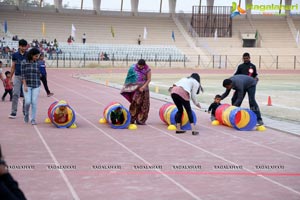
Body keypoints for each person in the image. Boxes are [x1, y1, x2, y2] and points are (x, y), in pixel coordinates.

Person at [120, 59, 151, 125]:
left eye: (142, 66)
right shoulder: (133, 68)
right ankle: (131, 118)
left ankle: (141, 120)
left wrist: (143, 87)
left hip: (144, 89)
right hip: (136, 88)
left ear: (144, 65)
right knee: (135, 103)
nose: (140, 67)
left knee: (144, 104)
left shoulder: (147, 69)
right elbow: (129, 77)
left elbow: (149, 79)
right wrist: (132, 86)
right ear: (137, 64)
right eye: (139, 66)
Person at [21, 48, 41, 125]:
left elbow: (40, 73)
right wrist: (25, 85)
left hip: (36, 85)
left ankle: (33, 119)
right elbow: (23, 75)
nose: (37, 57)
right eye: (36, 56)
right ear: (31, 55)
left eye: (38, 56)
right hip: (27, 85)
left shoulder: (38, 63)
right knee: (28, 101)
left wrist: (41, 74)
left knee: (34, 102)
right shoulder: (24, 62)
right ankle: (26, 114)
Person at [9, 39, 28, 119]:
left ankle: (25, 111)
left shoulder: (28, 55)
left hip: (26, 77)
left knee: (25, 95)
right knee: (15, 94)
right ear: (19, 46)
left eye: (25, 46)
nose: (24, 48)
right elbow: (13, 67)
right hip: (17, 76)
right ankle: (13, 112)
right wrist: (10, 78)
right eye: (23, 46)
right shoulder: (15, 55)